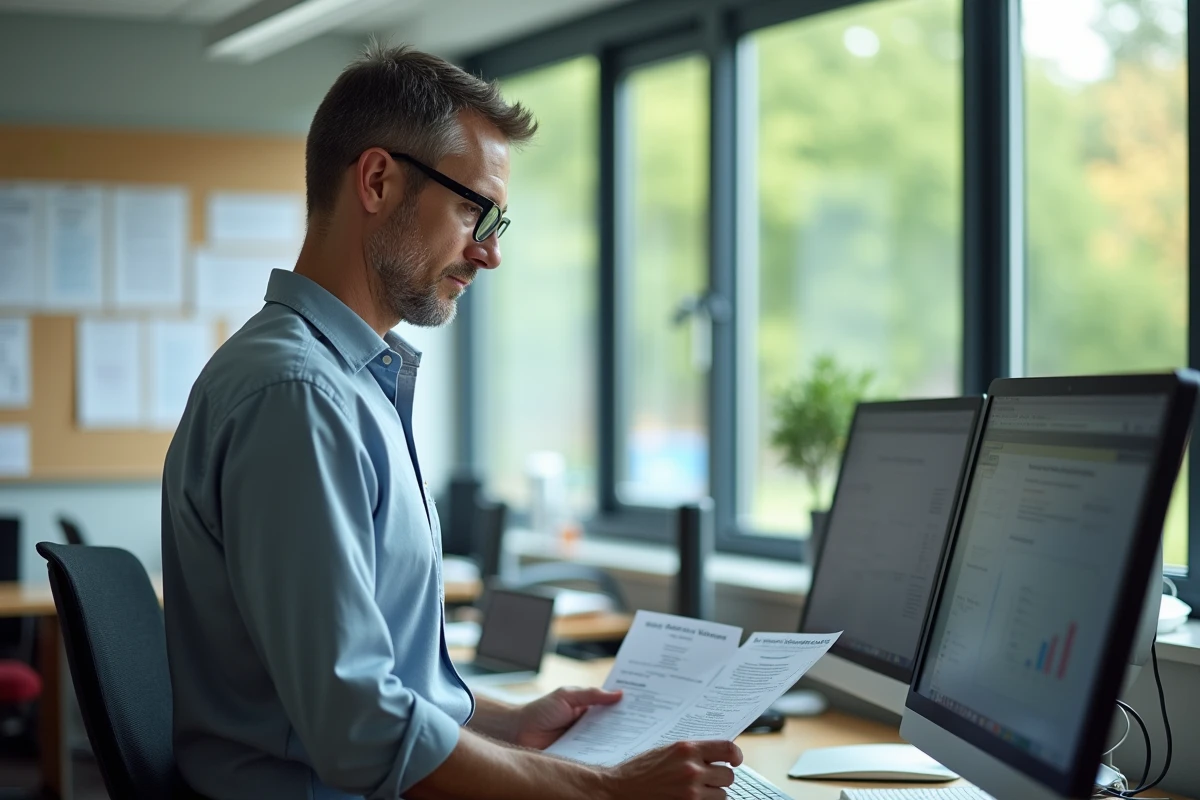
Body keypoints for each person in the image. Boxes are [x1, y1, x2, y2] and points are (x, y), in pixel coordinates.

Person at [161, 43, 741, 800]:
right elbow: (359, 729)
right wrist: (608, 793)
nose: (490, 252)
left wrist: (506, 726)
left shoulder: (346, 381)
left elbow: (373, 688)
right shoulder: (298, 395)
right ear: (377, 180)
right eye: (474, 208)